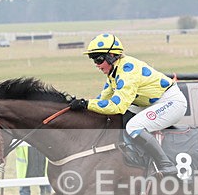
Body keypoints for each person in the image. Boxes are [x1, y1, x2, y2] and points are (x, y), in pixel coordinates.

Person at [68, 33, 187, 177]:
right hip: (149, 103)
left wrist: (86, 104)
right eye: (93, 59)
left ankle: (166, 165)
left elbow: (116, 106)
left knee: (133, 126)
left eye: (98, 59)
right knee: (119, 119)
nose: (96, 64)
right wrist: (81, 108)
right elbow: (102, 99)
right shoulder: (114, 71)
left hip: (171, 102)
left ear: (112, 56)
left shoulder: (127, 71)